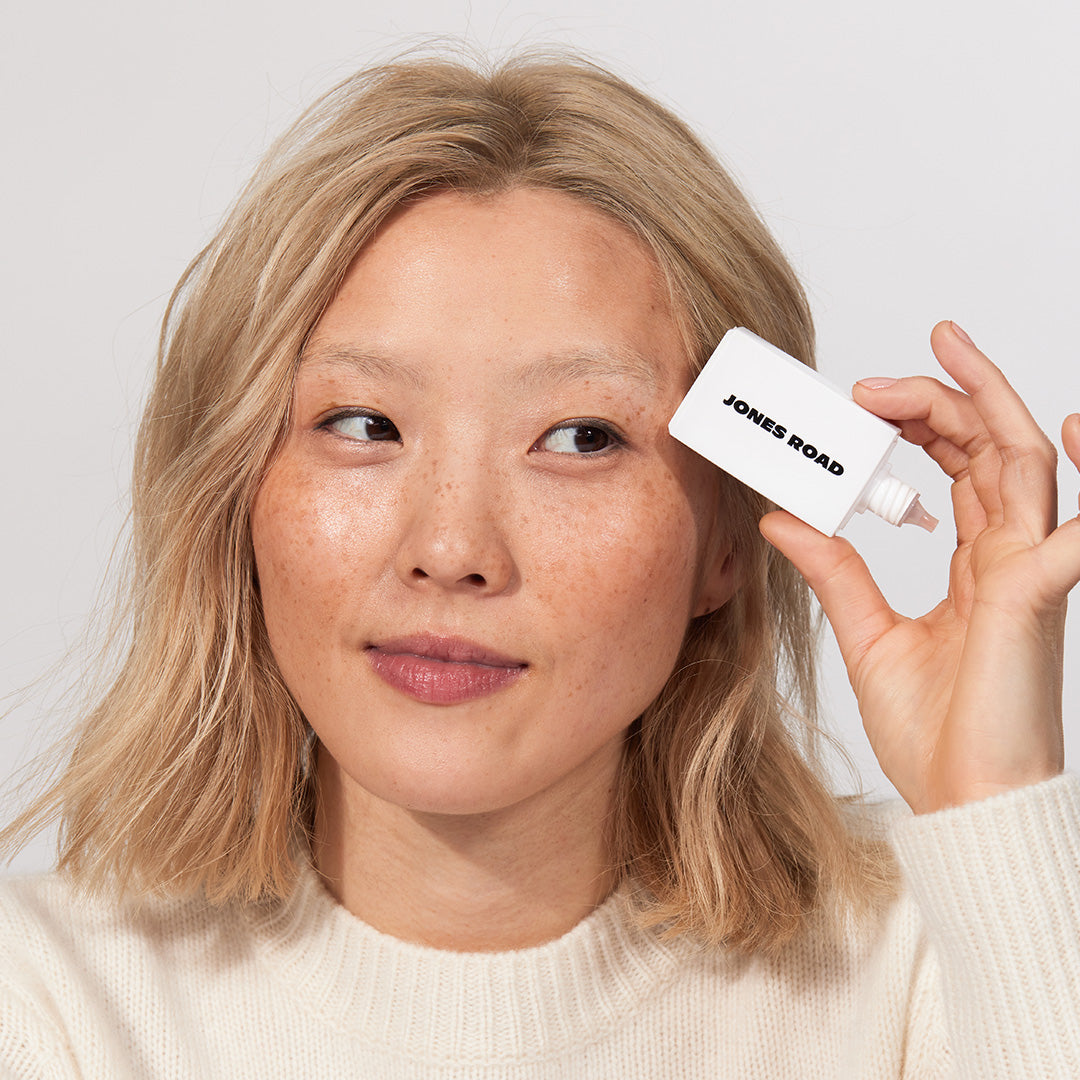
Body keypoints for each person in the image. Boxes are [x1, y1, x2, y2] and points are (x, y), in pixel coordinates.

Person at [1, 50, 1078, 1079]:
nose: (452, 552)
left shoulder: (940, 957)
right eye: (366, 423)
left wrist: (996, 810)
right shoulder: (47, 1010)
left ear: (726, 540)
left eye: (580, 438)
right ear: (237, 493)